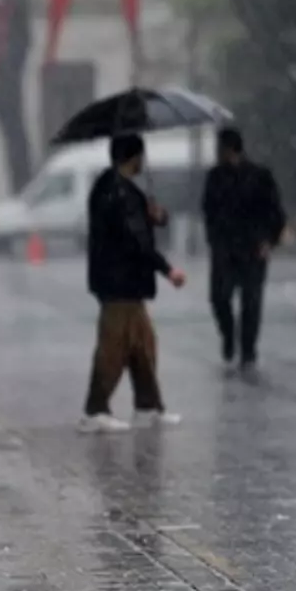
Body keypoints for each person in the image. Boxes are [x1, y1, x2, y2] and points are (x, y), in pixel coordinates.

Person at [80, 133, 185, 433]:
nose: (144, 162)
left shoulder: (115, 189)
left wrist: (157, 216)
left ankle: (148, 406)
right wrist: (168, 270)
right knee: (112, 348)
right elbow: (136, 241)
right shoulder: (118, 192)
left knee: (142, 345)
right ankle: (94, 410)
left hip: (122, 283)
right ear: (134, 157)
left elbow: (140, 224)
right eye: (141, 155)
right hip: (119, 283)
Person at [201, 127, 286, 369]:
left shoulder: (260, 176)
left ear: (229, 149)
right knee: (219, 298)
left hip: (253, 247)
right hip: (225, 247)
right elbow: (208, 211)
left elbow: (275, 212)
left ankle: (248, 350)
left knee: (251, 301)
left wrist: (269, 240)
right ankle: (229, 335)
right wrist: (214, 239)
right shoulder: (215, 177)